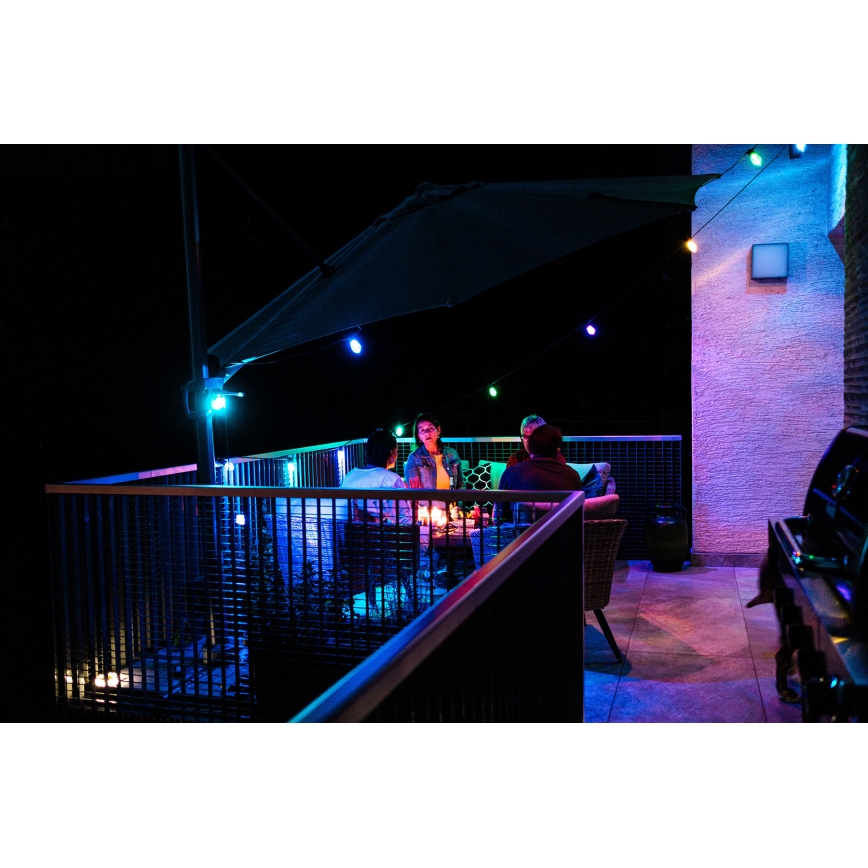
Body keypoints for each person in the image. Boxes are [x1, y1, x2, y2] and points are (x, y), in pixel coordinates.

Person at [497, 425, 581, 523]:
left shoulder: (510, 473)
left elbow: (498, 516)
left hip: (522, 532)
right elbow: (577, 515)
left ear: (530, 447)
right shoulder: (572, 476)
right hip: (563, 531)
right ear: (557, 450)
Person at [340, 428, 412, 524]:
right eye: (397, 451)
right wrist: (414, 499)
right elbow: (407, 521)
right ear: (391, 453)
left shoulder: (350, 474)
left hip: (345, 530)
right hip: (370, 532)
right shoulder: (391, 480)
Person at [404, 413, 464, 492]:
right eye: (422, 430)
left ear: (438, 430)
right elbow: (414, 491)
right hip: (426, 500)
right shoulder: (414, 458)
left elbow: (461, 485)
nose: (427, 432)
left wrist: (458, 500)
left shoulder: (452, 454)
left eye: (430, 428)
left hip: (452, 500)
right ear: (419, 436)